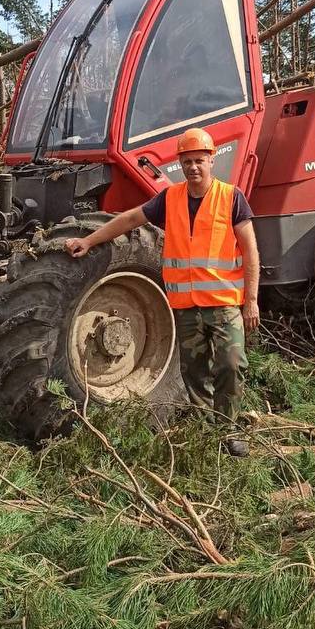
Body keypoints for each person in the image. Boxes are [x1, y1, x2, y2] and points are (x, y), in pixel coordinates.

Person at [64, 128, 260, 424]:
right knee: (193, 372)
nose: (193, 167)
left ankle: (228, 428)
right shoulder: (170, 198)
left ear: (211, 160)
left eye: (199, 160)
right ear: (180, 164)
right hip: (185, 306)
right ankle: (206, 431)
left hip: (223, 304)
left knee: (231, 365)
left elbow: (251, 252)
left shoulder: (231, 198)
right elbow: (131, 219)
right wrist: (90, 240)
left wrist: (252, 302)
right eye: (187, 162)